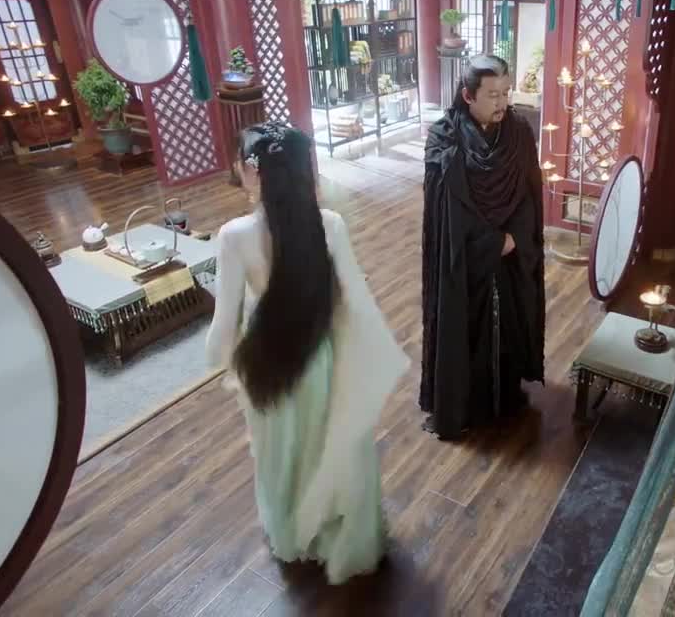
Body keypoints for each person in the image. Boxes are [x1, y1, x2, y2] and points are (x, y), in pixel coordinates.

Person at [206, 122, 409, 585]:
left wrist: (220, 360)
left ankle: (293, 529)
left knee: (281, 455)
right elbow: (352, 301)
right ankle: (333, 525)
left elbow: (224, 324)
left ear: (250, 171)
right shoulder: (330, 224)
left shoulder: (234, 235)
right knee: (324, 446)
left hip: (266, 366)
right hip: (320, 358)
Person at [420, 55, 546, 440]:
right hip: (464, 252)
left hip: (510, 248)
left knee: (508, 320)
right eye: (493, 95)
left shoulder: (519, 133)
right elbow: (446, 210)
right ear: (468, 96)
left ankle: (504, 395)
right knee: (464, 326)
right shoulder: (445, 139)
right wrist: (490, 242)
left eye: (506, 93)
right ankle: (465, 403)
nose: (502, 103)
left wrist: (514, 237)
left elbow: (528, 192)